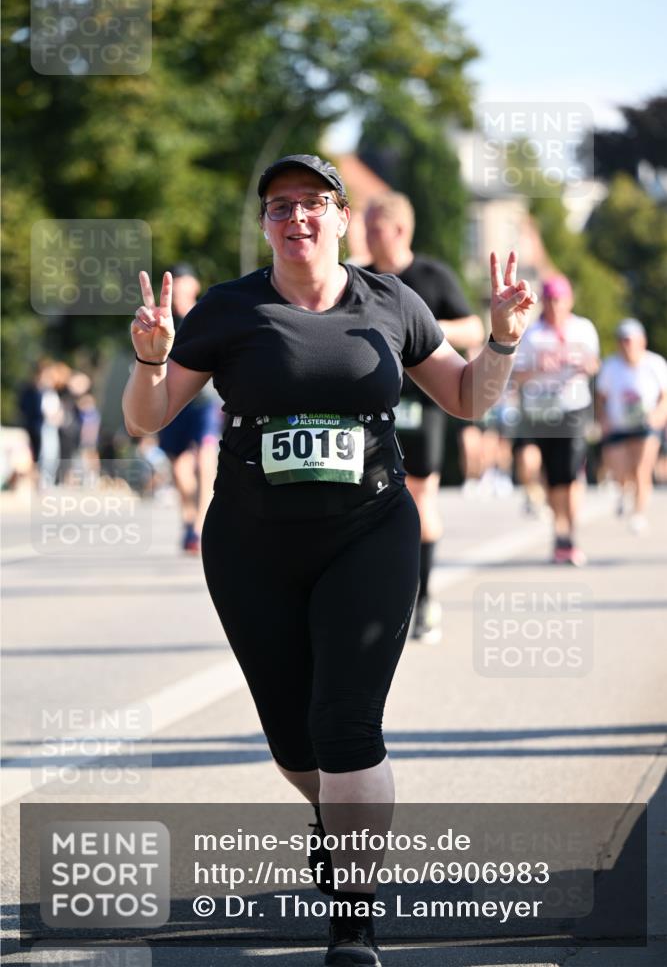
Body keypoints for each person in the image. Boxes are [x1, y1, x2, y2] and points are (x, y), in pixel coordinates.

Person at [122, 153, 536, 966]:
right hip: (250, 543)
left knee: (345, 727)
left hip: (370, 532)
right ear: (266, 224)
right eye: (280, 206)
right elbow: (147, 418)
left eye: (314, 203)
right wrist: (150, 359)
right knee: (292, 742)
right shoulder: (229, 309)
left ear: (343, 218)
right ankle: (332, 817)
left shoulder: (392, 301)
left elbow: (463, 397)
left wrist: (499, 342)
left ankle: (354, 919)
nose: (297, 218)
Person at [364, 193, 484, 644]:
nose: (366, 236)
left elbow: (474, 328)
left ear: (398, 230)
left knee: (420, 495)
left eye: (373, 227)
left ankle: (425, 598)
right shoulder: (358, 278)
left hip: (424, 403)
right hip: (373, 406)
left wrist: (420, 327)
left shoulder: (431, 276)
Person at [512, 274, 600, 565]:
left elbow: (594, 363)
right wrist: (539, 367)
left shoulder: (583, 329)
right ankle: (558, 529)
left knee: (568, 476)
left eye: (559, 300)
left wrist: (584, 364)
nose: (554, 306)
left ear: (569, 300)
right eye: (549, 300)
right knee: (549, 475)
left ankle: (568, 536)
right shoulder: (533, 333)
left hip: (573, 409)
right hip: (541, 412)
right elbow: (517, 376)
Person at [156, 263, 223, 553]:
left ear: (194, 286)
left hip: (206, 400)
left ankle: (200, 526)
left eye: (185, 282)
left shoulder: (206, 314)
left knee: (205, 457)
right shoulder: (161, 320)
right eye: (176, 283)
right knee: (180, 467)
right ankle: (188, 518)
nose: (181, 288)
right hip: (173, 400)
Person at [596, 318, 667, 533]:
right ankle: (624, 491)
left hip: (646, 425)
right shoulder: (610, 366)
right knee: (620, 470)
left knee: (641, 468)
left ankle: (638, 513)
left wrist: (658, 415)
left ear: (641, 342)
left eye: (630, 341)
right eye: (623, 341)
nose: (627, 346)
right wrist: (604, 420)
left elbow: (665, 396)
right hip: (619, 425)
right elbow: (601, 398)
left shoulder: (655, 363)